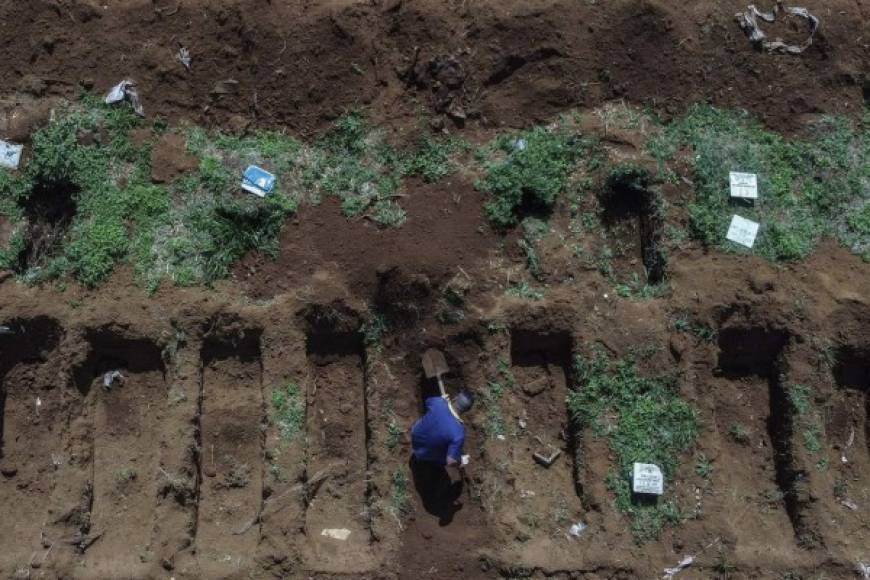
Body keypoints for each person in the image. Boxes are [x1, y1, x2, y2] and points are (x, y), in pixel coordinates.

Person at [409, 388, 474, 525]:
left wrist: (443, 399)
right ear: (466, 411)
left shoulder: (439, 403)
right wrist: (459, 462)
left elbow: (427, 402)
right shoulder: (458, 432)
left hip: (415, 437)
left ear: (455, 399)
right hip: (427, 458)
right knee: (445, 458)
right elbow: (450, 461)